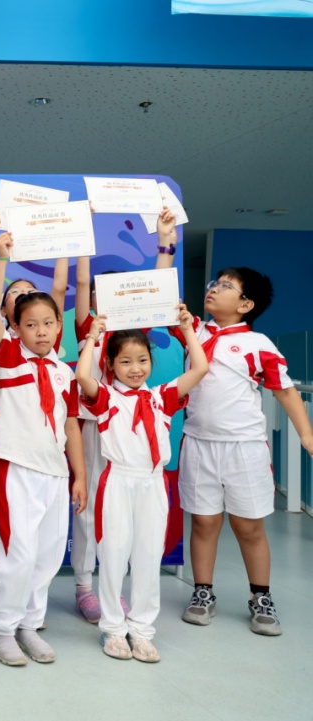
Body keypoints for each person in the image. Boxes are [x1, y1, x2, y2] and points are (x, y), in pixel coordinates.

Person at [175, 267, 313, 635]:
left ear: (245, 304)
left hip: (245, 448)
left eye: (225, 286)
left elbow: (285, 390)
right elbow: (160, 300)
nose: (213, 289)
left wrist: (307, 436)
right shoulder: (193, 330)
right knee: (204, 522)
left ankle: (261, 596)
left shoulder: (259, 343)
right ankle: (203, 592)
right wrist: (166, 247)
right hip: (199, 443)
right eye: (214, 283)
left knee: (249, 526)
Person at [76, 309, 208, 662]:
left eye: (142, 360)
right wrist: (93, 337)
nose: (135, 369)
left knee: (149, 556)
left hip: (153, 483)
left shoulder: (161, 397)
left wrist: (187, 331)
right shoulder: (106, 398)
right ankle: (113, 628)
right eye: (125, 362)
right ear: (111, 364)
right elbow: (82, 376)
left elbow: (199, 369)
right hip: (118, 481)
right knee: (114, 554)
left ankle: (142, 629)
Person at [0, 232, 86, 667]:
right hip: (14, 466)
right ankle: (2, 630)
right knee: (18, 553)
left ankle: (29, 623)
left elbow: (70, 424)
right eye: (30, 324)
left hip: (54, 473)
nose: (40, 331)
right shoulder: (7, 355)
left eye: (47, 323)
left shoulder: (65, 372)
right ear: (15, 326)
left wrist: (79, 475)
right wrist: (1, 258)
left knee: (46, 556)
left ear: (59, 326)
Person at [69, 207, 179, 622]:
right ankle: (85, 585)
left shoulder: (134, 333)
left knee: (124, 515)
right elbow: (82, 281)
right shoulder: (89, 330)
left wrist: (164, 243)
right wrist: (81, 232)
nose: (109, 301)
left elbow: (157, 290)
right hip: (93, 427)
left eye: (120, 294)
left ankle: (115, 589)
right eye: (102, 295)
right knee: (90, 506)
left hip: (129, 432)